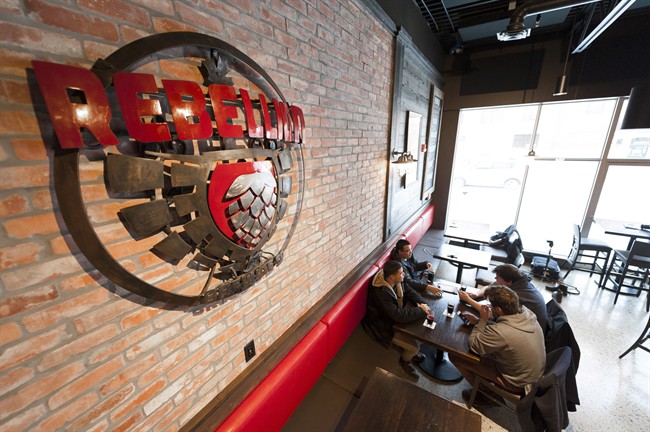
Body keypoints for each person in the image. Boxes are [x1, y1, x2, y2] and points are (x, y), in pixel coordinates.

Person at [450, 285, 546, 405]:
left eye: (491, 305)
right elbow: (505, 328)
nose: (489, 307)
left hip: (518, 383)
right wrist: (479, 322)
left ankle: (487, 396)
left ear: (499, 310)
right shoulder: (527, 314)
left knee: (457, 356)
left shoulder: (501, 332)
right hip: (533, 375)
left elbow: (475, 346)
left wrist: (483, 321)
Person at [362, 260, 431, 380]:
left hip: (394, 318)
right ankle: (405, 361)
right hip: (383, 326)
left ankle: (410, 352)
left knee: (419, 328)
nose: (404, 274)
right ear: (392, 277)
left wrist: (423, 304)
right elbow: (398, 316)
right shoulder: (380, 292)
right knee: (414, 348)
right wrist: (420, 311)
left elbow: (410, 291)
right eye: (401, 273)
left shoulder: (398, 281)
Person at [459, 264, 548, 332]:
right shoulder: (520, 282)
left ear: (509, 281)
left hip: (527, 331)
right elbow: (491, 286)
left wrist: (468, 300)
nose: (495, 278)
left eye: (497, 277)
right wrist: (476, 294)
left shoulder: (515, 296)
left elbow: (491, 313)